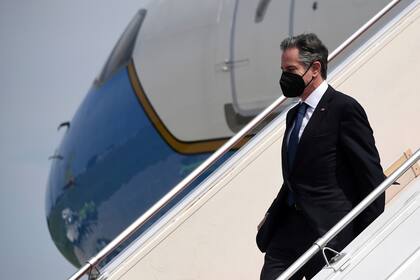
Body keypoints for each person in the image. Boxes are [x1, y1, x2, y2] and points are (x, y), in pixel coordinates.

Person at [256, 33, 386, 280]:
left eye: (291, 69)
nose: (285, 77)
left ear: (315, 68)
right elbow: (296, 176)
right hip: (287, 233)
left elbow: (371, 177)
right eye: (283, 70)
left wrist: (359, 234)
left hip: (328, 234)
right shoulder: (293, 116)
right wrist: (272, 213)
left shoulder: (343, 108)